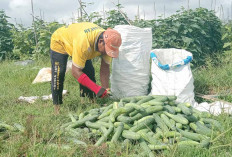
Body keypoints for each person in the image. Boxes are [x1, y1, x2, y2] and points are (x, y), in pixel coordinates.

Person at [50, 22, 122, 114]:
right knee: (59, 74)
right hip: (61, 41)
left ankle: (90, 102)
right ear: (100, 42)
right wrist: (97, 89)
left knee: (89, 71)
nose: (108, 53)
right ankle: (57, 109)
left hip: (79, 42)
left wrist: (106, 89)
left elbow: (105, 69)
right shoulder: (84, 43)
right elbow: (76, 72)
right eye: (107, 50)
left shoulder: (108, 43)